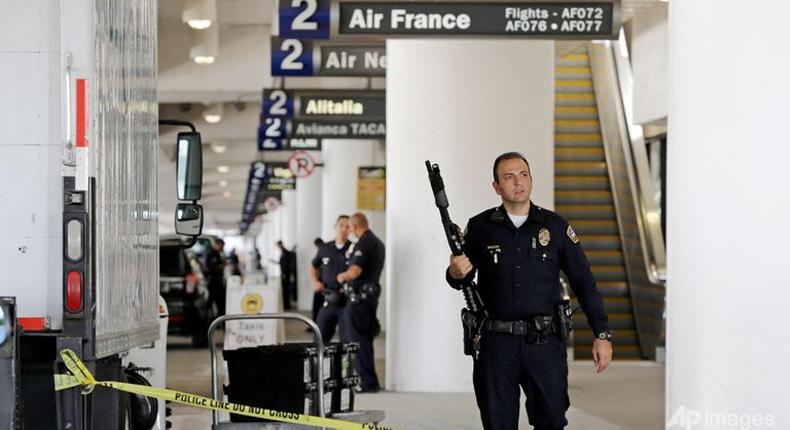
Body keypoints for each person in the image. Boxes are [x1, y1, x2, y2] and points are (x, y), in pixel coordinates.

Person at [447, 152, 613, 430]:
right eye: (508, 177)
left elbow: (584, 283)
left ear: (532, 180)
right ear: (497, 187)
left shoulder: (556, 227)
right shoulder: (479, 228)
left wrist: (602, 334)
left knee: (551, 421)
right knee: (497, 422)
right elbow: (460, 279)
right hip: (496, 344)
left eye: (523, 175)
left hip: (544, 344)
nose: (518, 182)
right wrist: (454, 272)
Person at [336, 213, 385, 393]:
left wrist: (342, 276)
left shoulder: (364, 243)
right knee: (364, 338)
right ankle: (369, 380)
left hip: (360, 300)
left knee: (359, 340)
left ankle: (367, 382)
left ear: (355, 226)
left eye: (349, 227)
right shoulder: (377, 242)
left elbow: (355, 271)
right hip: (369, 298)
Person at [309, 217, 351, 342]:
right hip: (329, 299)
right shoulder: (325, 248)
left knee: (347, 343)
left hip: (347, 302)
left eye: (347, 226)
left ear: (351, 229)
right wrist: (315, 281)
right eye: (341, 225)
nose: (343, 229)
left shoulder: (353, 248)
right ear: (335, 226)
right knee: (319, 338)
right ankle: (318, 362)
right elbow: (313, 266)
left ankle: (344, 362)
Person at [203, 238, 227, 316]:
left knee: (220, 302)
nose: (222, 248)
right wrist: (221, 266)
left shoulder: (217, 254)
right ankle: (210, 319)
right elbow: (209, 268)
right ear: (217, 245)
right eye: (221, 246)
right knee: (213, 302)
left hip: (218, 281)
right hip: (213, 282)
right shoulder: (210, 254)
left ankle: (219, 318)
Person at [310, 237, 326, 324]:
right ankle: (316, 323)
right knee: (318, 305)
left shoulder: (323, 252)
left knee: (318, 305)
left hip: (323, 283)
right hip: (320, 282)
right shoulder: (323, 252)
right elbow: (313, 267)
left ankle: (318, 323)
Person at [276, 241, 296, 310]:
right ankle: (286, 304)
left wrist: (283, 273)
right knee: (284, 289)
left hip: (286, 274)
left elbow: (286, 265)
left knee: (286, 289)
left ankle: (287, 305)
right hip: (284, 273)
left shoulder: (286, 253)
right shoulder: (283, 252)